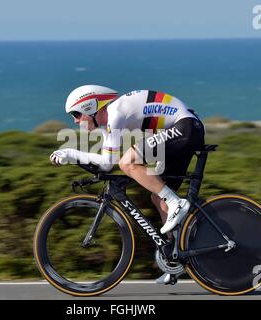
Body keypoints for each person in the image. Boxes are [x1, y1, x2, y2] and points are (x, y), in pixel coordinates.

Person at [49, 85, 205, 284]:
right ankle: (176, 259)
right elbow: (105, 164)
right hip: (186, 129)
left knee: (128, 162)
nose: (75, 120)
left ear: (90, 108)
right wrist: (71, 156)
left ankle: (177, 203)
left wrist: (70, 153)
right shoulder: (109, 123)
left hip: (186, 128)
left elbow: (109, 163)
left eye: (76, 114)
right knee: (158, 197)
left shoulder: (115, 114)